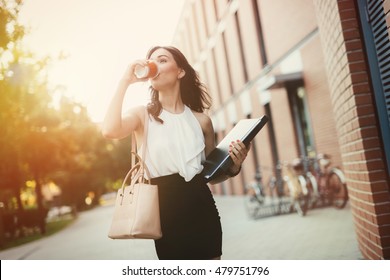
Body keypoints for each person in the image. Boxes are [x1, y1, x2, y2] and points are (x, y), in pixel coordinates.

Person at [102, 46, 250, 260]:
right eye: (151, 61)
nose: (154, 65)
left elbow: (213, 176)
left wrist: (235, 165)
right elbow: (109, 130)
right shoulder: (143, 115)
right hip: (166, 216)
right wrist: (125, 80)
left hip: (202, 210)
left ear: (180, 71)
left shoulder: (202, 121)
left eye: (162, 60)